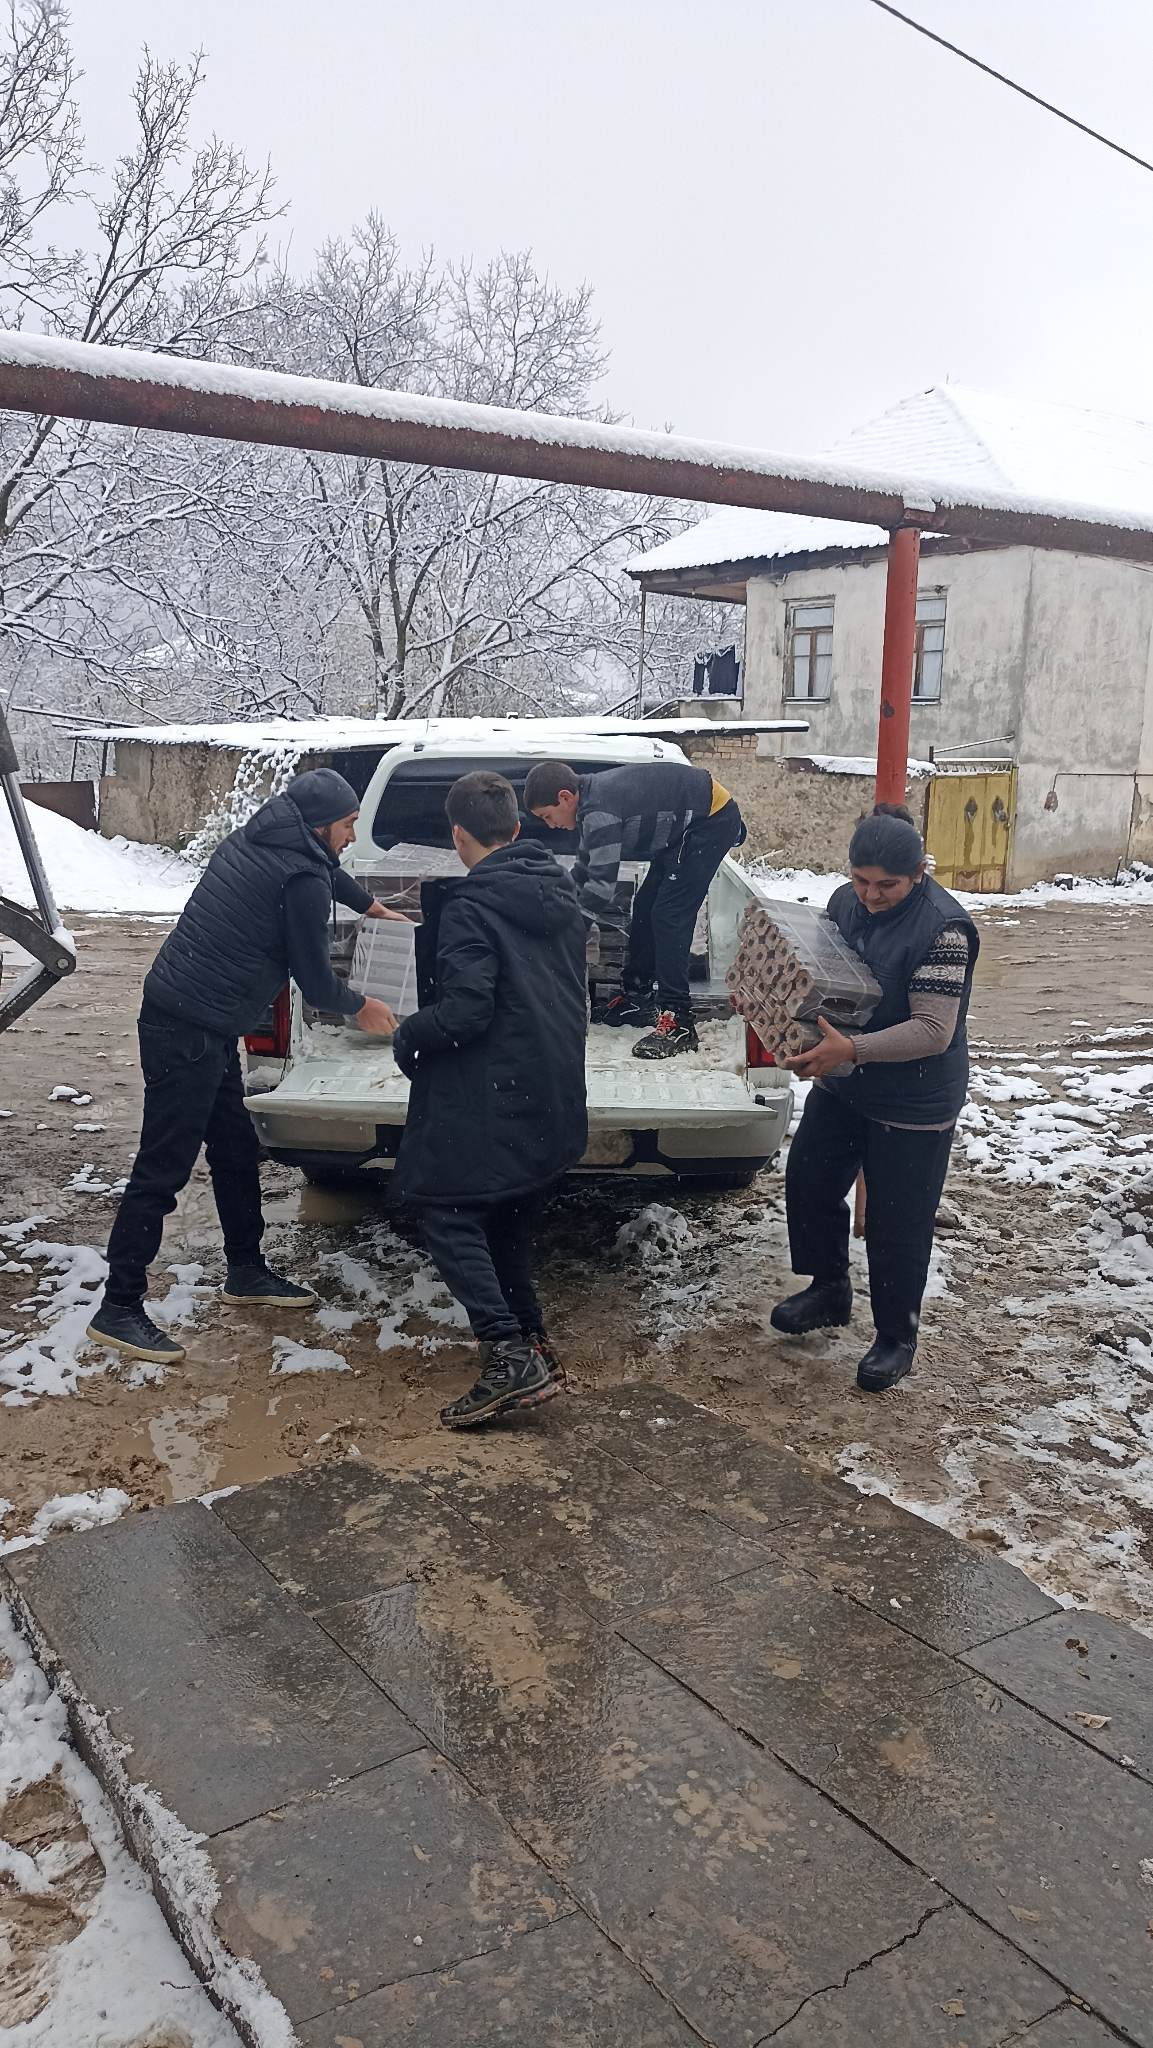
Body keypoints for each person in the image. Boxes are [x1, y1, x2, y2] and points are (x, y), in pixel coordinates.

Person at [86, 768, 402, 1365]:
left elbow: (324, 870)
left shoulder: (264, 836)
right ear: (319, 825)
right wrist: (363, 1006)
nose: (352, 837)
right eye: (348, 825)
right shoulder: (301, 878)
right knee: (163, 1167)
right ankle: (119, 1306)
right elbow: (315, 980)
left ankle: (246, 1270)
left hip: (201, 1018)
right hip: (187, 1028)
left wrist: (373, 906)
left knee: (234, 1148)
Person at [390, 770, 588, 1428]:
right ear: (517, 826)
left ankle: (508, 1353)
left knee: (444, 1208)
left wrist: (411, 1033)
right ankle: (533, 1343)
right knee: (502, 1216)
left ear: (457, 835)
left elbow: (467, 1012)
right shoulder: (557, 889)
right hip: (551, 1083)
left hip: (496, 1086)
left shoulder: (471, 906)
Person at [772, 803, 979, 1393]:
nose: (870, 895)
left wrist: (853, 1050)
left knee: (897, 1221)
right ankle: (829, 1289)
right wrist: (769, 998)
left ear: (918, 874)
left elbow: (932, 1030)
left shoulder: (943, 929)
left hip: (916, 1098)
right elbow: (821, 976)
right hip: (846, 1083)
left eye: (887, 885)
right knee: (810, 1181)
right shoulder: (844, 902)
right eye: (861, 880)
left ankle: (896, 1337)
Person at [523, 755, 745, 1059]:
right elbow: (584, 869)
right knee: (645, 906)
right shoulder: (589, 804)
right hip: (687, 823)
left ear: (565, 797)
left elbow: (601, 887)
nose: (551, 825)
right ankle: (637, 1000)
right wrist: (558, 907)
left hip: (709, 820)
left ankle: (679, 1021)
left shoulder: (599, 811)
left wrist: (571, 930)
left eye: (548, 816)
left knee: (669, 915)